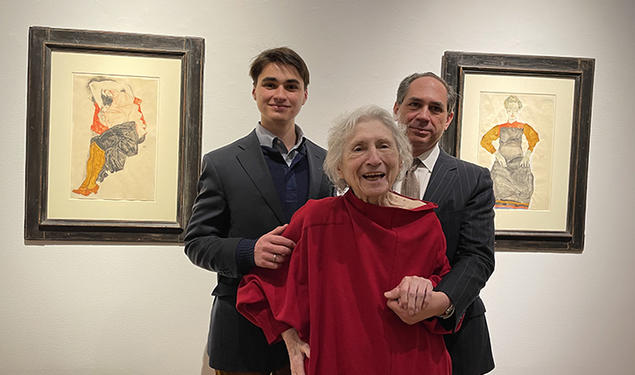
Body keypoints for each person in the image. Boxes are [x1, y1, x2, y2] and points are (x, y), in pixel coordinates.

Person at [237, 105, 454, 375]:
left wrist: (427, 287)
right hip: (337, 362)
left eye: (384, 146)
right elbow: (261, 286)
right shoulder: (315, 220)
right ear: (339, 165)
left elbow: (448, 293)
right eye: (359, 148)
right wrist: (292, 343)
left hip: (414, 363)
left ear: (400, 159)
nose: (373, 158)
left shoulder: (425, 222)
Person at [184, 47, 333, 374]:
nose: (280, 94)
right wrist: (250, 250)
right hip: (241, 331)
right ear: (254, 91)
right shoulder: (221, 163)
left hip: (309, 331)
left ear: (305, 95)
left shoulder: (329, 164)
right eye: (270, 84)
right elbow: (196, 243)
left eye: (291, 86)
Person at [392, 72, 496, 375]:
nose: (424, 116)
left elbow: (478, 256)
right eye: (414, 105)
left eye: (435, 109)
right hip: (381, 328)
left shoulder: (473, 179)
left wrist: (440, 302)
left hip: (454, 334)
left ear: (448, 118)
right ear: (396, 109)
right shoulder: (369, 173)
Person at [72, 78, 148, 196]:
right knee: (94, 144)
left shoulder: (123, 98)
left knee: (98, 146)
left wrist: (110, 93)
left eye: (107, 92)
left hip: (128, 130)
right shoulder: (108, 107)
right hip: (121, 130)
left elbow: (95, 86)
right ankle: (88, 183)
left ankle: (91, 184)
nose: (105, 93)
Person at [480, 95, 540, 209]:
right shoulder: (500, 127)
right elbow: (485, 141)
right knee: (497, 181)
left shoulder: (523, 127)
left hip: (518, 162)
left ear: (519, 111)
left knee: (524, 184)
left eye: (515, 110)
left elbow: (534, 138)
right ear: (506, 111)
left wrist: (527, 154)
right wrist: (497, 154)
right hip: (502, 164)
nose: (512, 113)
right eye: (509, 110)